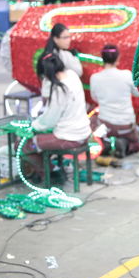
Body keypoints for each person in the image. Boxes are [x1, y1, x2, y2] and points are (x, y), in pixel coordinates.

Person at [25, 53, 91, 182]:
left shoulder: (60, 89)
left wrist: (33, 125)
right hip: (84, 132)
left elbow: (49, 121)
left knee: (24, 146)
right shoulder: (72, 75)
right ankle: (52, 170)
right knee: (40, 141)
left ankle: (53, 173)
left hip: (69, 137)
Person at [90, 44, 139, 155]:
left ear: (103, 58)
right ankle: (125, 143)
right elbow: (138, 93)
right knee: (136, 144)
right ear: (118, 58)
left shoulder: (94, 78)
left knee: (92, 120)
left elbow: (94, 98)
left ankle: (105, 140)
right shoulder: (126, 75)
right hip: (125, 125)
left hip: (105, 126)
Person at [36, 23, 83, 100]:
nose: (69, 40)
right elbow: (79, 71)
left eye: (69, 37)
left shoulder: (46, 55)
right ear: (55, 39)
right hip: (63, 96)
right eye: (65, 37)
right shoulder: (62, 55)